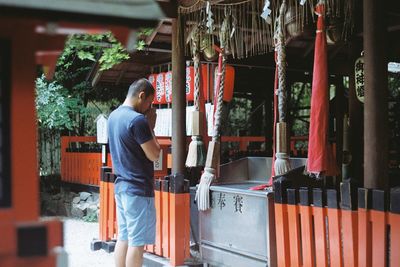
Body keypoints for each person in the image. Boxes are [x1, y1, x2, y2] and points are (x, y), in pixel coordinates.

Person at [107, 78, 160, 267]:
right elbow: (154, 154)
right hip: (138, 189)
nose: (149, 107)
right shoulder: (138, 120)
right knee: (137, 243)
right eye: (149, 102)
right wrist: (151, 127)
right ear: (141, 95)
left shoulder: (113, 116)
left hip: (121, 186)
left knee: (124, 237)